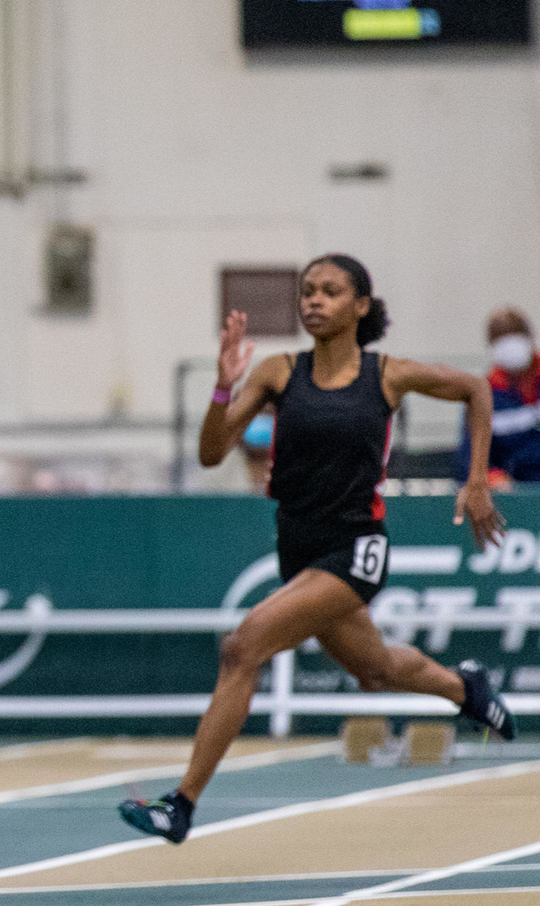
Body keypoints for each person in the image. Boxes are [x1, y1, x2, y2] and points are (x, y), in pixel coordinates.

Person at [120, 255, 514, 845]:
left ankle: (180, 805)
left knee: (243, 646)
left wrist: (476, 481)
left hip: (356, 548)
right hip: (298, 548)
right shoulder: (279, 373)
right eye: (307, 291)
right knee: (375, 670)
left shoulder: (387, 374)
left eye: (330, 291)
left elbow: (476, 389)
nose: (314, 300)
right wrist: (224, 386)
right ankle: (466, 688)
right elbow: (211, 452)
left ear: (360, 306)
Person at [452, 306, 540, 483]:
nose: (511, 347)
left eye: (516, 336)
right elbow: (469, 457)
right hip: (515, 490)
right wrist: (492, 477)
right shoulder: (482, 394)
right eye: (502, 339)